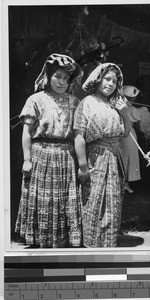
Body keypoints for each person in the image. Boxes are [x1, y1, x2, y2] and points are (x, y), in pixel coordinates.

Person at [15, 53, 83, 248]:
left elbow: (78, 133)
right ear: (48, 76)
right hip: (41, 154)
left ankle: (63, 241)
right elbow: (27, 132)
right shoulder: (35, 100)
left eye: (66, 78)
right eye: (58, 76)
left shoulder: (74, 102)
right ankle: (40, 241)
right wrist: (27, 160)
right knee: (43, 198)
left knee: (63, 199)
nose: (61, 82)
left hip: (66, 156)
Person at [73, 63, 131, 248]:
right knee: (94, 199)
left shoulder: (116, 105)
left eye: (114, 81)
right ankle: (91, 245)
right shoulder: (87, 103)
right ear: (97, 79)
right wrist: (83, 166)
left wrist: (125, 113)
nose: (110, 84)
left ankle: (108, 244)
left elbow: (125, 133)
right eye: (107, 79)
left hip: (114, 157)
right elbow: (79, 136)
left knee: (112, 201)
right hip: (96, 157)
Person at [120, 85, 150, 193]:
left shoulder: (135, 109)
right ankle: (122, 183)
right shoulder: (124, 106)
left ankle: (125, 183)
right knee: (124, 158)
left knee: (128, 158)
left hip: (129, 135)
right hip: (125, 135)